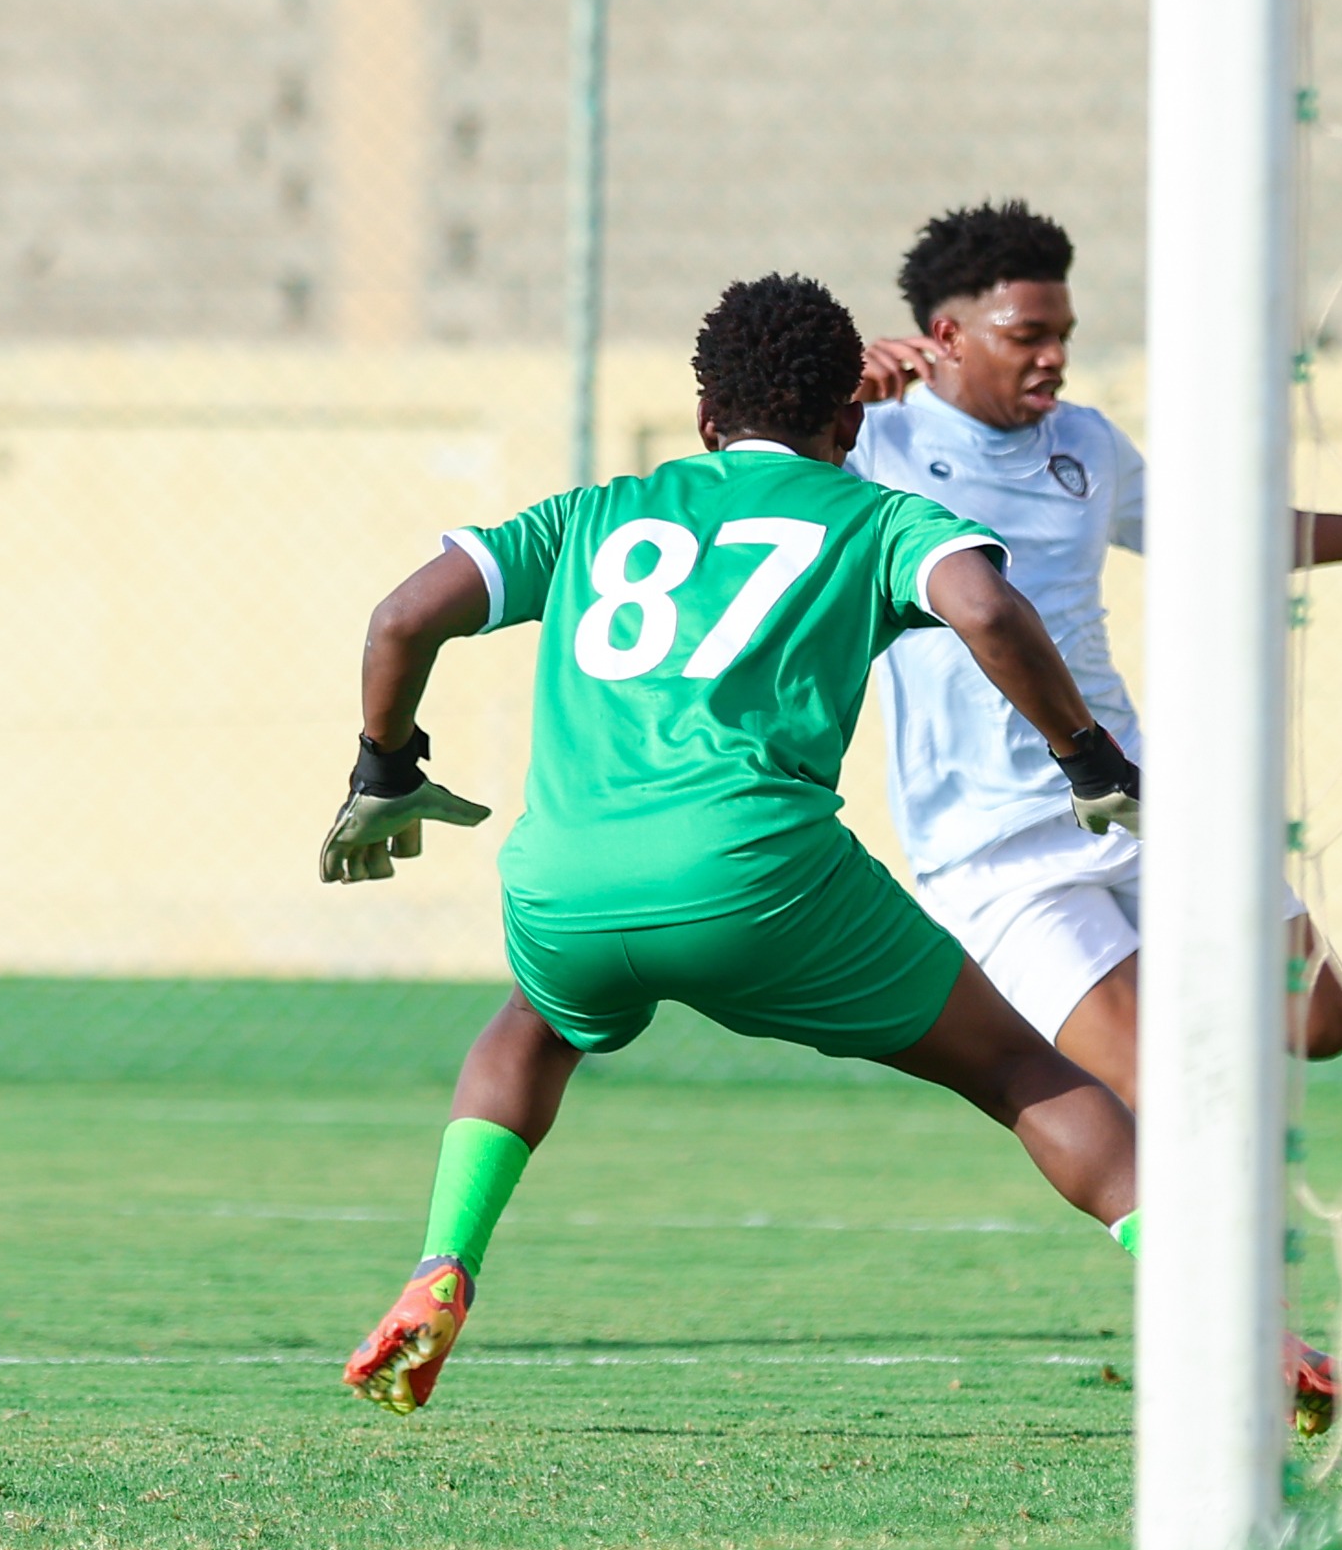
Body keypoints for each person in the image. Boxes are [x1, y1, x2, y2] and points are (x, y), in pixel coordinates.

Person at [324, 270, 1148, 1420]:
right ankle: (1232, 1315)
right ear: (850, 421)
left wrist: (385, 768)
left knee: (533, 1024)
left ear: (707, 415)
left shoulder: (595, 512)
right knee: (1022, 1072)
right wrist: (1087, 758)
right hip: (760, 879)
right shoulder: (875, 516)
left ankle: (441, 1264)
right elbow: (987, 609)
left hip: (566, 884)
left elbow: (401, 617)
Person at [850, 199, 1342, 1113]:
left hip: (1132, 795)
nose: (1053, 355)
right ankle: (1137, 1084)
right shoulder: (869, 443)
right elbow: (734, 460)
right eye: (1027, 336)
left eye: (1064, 334)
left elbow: (1225, 534)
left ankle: (1156, 1050)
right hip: (995, 844)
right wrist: (829, 399)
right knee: (1160, 1093)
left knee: (1320, 1021)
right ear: (947, 337)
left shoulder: (1087, 443)